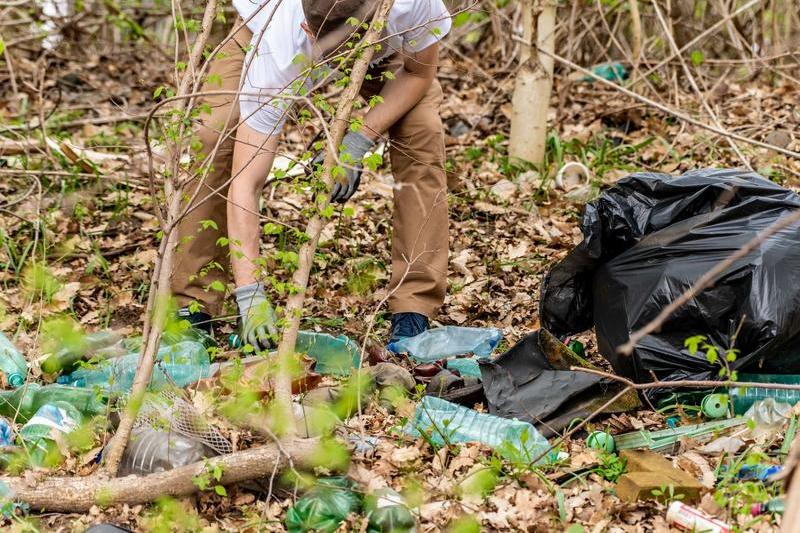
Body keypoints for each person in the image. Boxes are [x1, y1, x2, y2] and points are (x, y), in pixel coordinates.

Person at [170, 0, 452, 350]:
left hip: (387, 45)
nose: (343, 58)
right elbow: (247, 179)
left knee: (421, 132)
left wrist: (358, 140)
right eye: (337, 49)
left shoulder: (411, 4)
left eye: (352, 44)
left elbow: (417, 73)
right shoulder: (280, 41)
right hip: (264, 22)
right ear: (307, 29)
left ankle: (413, 309)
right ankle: (193, 306)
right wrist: (250, 294)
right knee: (214, 134)